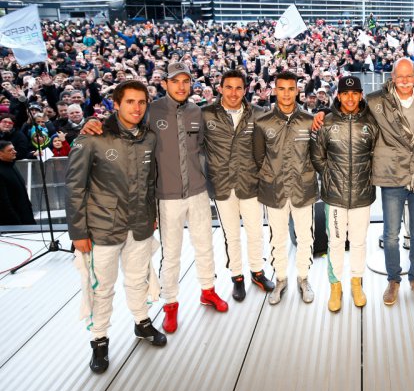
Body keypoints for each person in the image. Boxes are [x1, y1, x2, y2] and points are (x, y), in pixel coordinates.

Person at [82, 62, 227, 335]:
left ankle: (208, 290)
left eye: (186, 81)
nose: (181, 86)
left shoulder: (197, 111)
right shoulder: (149, 110)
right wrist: (89, 122)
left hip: (197, 192)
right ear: (165, 83)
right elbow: (120, 123)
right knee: (171, 253)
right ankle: (170, 303)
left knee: (205, 246)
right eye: (175, 81)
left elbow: (203, 148)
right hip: (166, 195)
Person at [66, 80, 166, 374]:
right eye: (130, 102)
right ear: (116, 104)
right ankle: (99, 339)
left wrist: (151, 215)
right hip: (102, 228)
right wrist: (78, 233)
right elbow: (74, 188)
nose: (137, 108)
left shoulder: (149, 138)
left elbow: (150, 182)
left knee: (138, 278)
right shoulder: (92, 138)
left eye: (142, 102)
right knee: (101, 287)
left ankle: (142, 321)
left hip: (139, 223)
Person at [366, 58, 414, 305]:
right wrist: (323, 112)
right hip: (392, 174)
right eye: (400, 76)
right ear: (393, 77)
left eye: (409, 76)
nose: (405, 81)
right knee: (391, 234)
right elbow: (349, 113)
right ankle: (393, 280)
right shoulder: (375, 102)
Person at [202, 70, 274, 302]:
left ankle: (257, 271)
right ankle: (237, 276)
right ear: (220, 88)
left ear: (245, 90)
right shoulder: (205, 114)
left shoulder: (259, 113)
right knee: (231, 234)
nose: (233, 93)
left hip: (250, 182)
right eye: (229, 87)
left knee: (255, 231)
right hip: (222, 183)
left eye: (238, 88)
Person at [311, 75, 378, 312]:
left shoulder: (371, 122)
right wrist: (331, 176)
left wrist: (367, 177)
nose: (350, 98)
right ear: (338, 96)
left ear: (360, 95)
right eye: (345, 94)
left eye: (354, 93)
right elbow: (317, 156)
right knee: (336, 242)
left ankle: (356, 283)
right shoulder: (326, 122)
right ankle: (335, 285)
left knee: (359, 242)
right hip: (335, 196)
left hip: (362, 194)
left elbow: (377, 155)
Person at [253, 71, 318, 305]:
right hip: (275, 191)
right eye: (281, 89)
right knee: (277, 238)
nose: (286, 94)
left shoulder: (310, 120)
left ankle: (303, 278)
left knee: (305, 237)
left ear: (298, 91)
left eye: (291, 89)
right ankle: (280, 278)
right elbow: (258, 157)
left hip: (303, 189)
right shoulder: (263, 122)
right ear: (274, 90)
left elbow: (316, 155)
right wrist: (272, 177)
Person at [0, 140, 35, 225]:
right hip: (14, 222)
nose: (15, 152)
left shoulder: (12, 165)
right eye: (10, 150)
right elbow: (4, 202)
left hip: (26, 216)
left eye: (14, 149)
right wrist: (17, 223)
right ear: (0, 153)